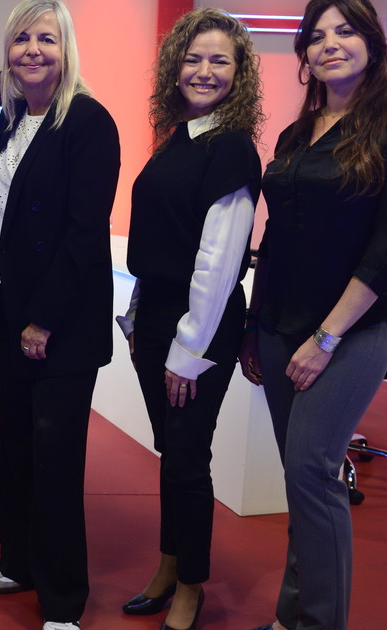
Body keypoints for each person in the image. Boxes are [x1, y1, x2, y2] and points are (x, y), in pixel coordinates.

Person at [238, 1, 387, 629]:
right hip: (278, 325)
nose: (329, 44)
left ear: (373, 43)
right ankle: (290, 617)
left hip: (350, 332)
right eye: (316, 35)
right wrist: (254, 325)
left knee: (312, 472)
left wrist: (326, 337)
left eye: (345, 31)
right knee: (300, 482)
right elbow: (275, 238)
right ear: (304, 54)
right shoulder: (296, 135)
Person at [0, 2, 120, 628]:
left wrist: (43, 319)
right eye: (22, 39)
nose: (32, 50)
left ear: (67, 50)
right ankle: (21, 561)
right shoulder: (13, 122)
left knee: (55, 460)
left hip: (57, 325)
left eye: (47, 39)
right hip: (9, 312)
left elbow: (84, 233)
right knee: (17, 446)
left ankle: (62, 599)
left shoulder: (88, 121)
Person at [116, 8, 263, 630]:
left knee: (187, 457)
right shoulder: (181, 137)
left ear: (239, 73)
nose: (203, 71)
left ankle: (190, 587)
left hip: (197, 329)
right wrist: (135, 314)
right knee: (170, 451)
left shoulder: (231, 149)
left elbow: (218, 263)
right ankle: (169, 565)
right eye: (193, 58)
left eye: (219, 60)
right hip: (155, 318)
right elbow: (160, 237)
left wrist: (188, 349)